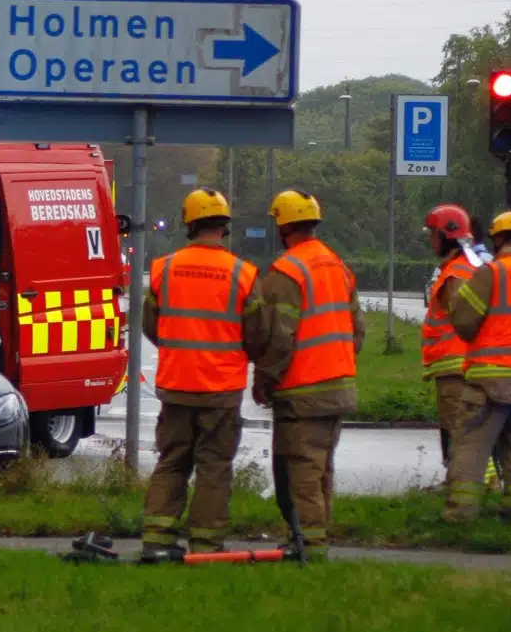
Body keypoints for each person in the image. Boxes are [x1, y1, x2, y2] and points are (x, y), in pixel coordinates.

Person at [139, 188, 266, 554]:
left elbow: (152, 325)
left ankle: (157, 538)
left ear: (189, 224)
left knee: (172, 460)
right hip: (221, 390)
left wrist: (179, 347)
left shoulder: (165, 268)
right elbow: (257, 334)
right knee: (214, 467)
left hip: (177, 385)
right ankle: (206, 545)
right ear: (224, 227)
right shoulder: (243, 274)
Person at [252, 189, 364, 561]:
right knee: (321, 470)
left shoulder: (286, 272)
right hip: (338, 388)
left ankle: (310, 548)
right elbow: (357, 331)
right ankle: (315, 539)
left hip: (302, 391)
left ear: (282, 227)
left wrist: (265, 377)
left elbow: (279, 337)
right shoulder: (337, 266)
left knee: (299, 474)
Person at [443, 211, 511, 523]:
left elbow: (464, 323)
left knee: (471, 447)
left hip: (489, 380)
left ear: (500, 239)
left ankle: (460, 515)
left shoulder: (492, 273)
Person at [421, 205, 477, 468]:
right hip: (456, 364)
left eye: (433, 234)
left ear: (447, 236)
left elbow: (464, 318)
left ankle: (468, 485)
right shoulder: (461, 267)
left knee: (458, 431)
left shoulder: (456, 274)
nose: (431, 241)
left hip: (455, 365)